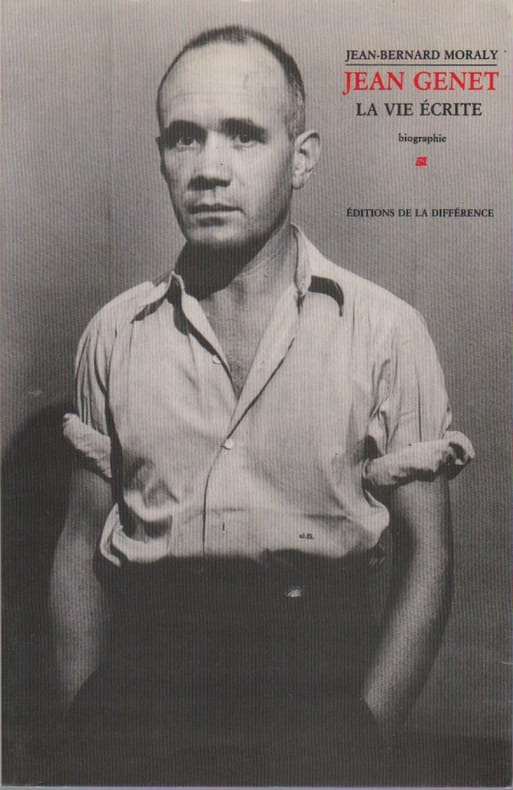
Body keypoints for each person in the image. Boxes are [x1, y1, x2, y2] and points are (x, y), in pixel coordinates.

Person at [49, 25, 474, 785]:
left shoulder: (384, 333)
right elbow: (81, 543)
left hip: (314, 707)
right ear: (161, 156)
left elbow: (429, 556)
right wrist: (85, 720)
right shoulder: (113, 335)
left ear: (301, 157)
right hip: (139, 710)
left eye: (243, 135)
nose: (208, 169)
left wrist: (364, 737)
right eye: (184, 137)